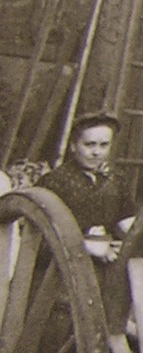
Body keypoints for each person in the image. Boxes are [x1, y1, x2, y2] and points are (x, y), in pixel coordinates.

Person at [39, 113, 134, 263]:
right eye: (89, 144)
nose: (96, 152)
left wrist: (133, 242)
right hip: (62, 268)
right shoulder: (55, 182)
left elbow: (126, 221)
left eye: (104, 145)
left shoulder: (116, 180)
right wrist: (87, 245)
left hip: (110, 260)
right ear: (73, 146)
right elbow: (42, 236)